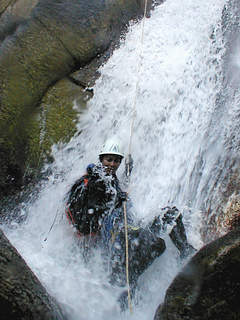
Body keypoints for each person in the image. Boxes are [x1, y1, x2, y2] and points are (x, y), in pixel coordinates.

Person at [65, 137, 195, 305]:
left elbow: (118, 196)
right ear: (101, 159)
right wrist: (114, 201)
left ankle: (186, 254)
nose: (112, 164)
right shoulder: (94, 182)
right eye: (109, 160)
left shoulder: (112, 181)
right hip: (113, 239)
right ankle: (127, 282)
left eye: (116, 160)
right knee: (156, 244)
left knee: (171, 214)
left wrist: (127, 173)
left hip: (128, 230)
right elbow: (93, 209)